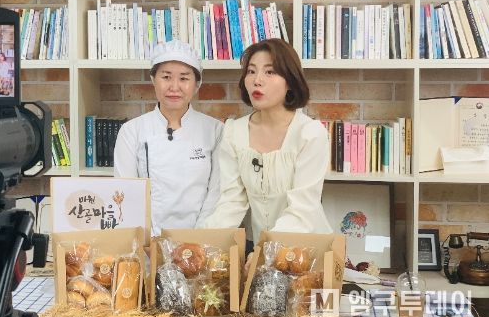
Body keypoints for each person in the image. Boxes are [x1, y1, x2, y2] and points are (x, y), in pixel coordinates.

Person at [202, 38, 332, 243]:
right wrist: (200, 242)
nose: (257, 80)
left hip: (307, 250)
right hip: (261, 252)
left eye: (270, 72)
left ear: (290, 81)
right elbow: (231, 202)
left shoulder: (310, 134)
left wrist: (266, 250)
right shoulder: (233, 132)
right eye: (251, 71)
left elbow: (303, 210)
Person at [114, 40, 223, 237]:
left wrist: (196, 240)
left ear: (196, 84)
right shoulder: (131, 131)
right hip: (147, 244)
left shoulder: (215, 130)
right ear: (153, 80)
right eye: (166, 77)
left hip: (201, 242)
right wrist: (151, 242)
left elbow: (216, 193)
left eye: (184, 78)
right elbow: (126, 194)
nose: (174, 87)